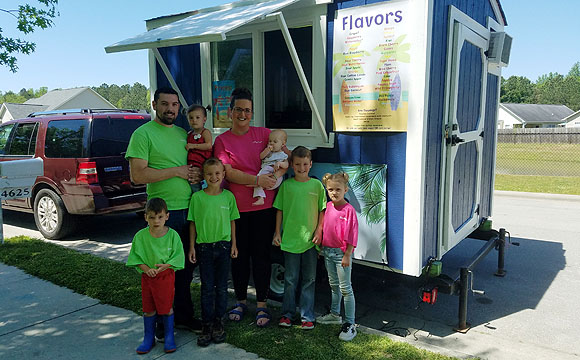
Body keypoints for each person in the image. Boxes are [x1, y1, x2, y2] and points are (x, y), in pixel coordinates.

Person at [126, 87, 202, 337]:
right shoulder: (142, 134)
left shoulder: (184, 134)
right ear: (154, 105)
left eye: (175, 105)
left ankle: (182, 316)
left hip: (189, 210)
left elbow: (193, 166)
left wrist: (195, 173)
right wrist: (178, 171)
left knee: (185, 268)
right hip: (162, 216)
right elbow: (137, 175)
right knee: (161, 271)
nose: (171, 109)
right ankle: (160, 321)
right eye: (165, 104)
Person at [213, 87, 287, 327]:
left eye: (247, 110)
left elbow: (285, 155)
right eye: (239, 110)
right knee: (239, 257)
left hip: (265, 208)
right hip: (236, 210)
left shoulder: (264, 133)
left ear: (252, 113)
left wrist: (281, 171)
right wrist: (257, 180)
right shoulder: (222, 140)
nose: (243, 114)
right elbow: (229, 173)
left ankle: (262, 305)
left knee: (262, 257)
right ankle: (241, 301)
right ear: (230, 112)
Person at [187, 158, 240, 347]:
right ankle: (207, 324)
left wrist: (234, 244)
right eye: (209, 174)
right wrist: (192, 246)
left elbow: (233, 221)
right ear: (203, 176)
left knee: (222, 287)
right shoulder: (197, 198)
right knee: (207, 287)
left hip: (224, 246)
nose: (214, 177)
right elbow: (192, 223)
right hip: (204, 248)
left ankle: (219, 322)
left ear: (223, 174)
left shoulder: (228, 197)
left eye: (217, 173)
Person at [273, 146, 326, 330]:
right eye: (297, 164)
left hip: (310, 241)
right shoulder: (286, 186)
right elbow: (279, 210)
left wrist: (319, 231)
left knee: (309, 279)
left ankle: (307, 316)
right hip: (290, 240)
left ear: (310, 165)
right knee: (290, 279)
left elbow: (322, 211)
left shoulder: (317, 186)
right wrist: (277, 232)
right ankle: (287, 315)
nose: (301, 168)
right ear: (291, 166)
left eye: (305, 164)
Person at [126, 198, 185, 354]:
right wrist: (146, 269)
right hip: (147, 278)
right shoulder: (140, 236)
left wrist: (166, 265)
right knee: (148, 308)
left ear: (167, 216)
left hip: (165, 277)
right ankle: (148, 338)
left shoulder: (172, 235)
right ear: (146, 217)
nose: (156, 221)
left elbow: (178, 256)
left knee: (166, 308)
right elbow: (135, 258)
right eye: (151, 217)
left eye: (160, 217)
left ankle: (169, 337)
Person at [317, 172, 359, 341]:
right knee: (333, 285)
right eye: (330, 189)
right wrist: (321, 248)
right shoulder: (327, 207)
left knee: (346, 289)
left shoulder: (349, 210)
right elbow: (325, 228)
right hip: (327, 251)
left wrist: (347, 255)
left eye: (338, 189)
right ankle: (335, 315)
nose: (334, 193)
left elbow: (352, 234)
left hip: (341, 254)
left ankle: (350, 323)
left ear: (346, 190)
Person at [252, 129, 289, 206]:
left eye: (275, 142)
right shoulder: (269, 153)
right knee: (258, 180)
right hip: (266, 174)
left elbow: (286, 165)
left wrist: (280, 163)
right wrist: (267, 150)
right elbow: (261, 156)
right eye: (270, 141)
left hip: (276, 177)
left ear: (283, 144)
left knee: (258, 179)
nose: (271, 143)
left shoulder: (283, 155)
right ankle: (261, 198)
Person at [185, 104, 213, 192]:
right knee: (193, 185)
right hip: (192, 165)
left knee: (203, 186)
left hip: (203, 165)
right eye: (191, 118)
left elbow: (208, 145)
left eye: (197, 117)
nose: (194, 120)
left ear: (204, 119)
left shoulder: (205, 132)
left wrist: (193, 146)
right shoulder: (189, 134)